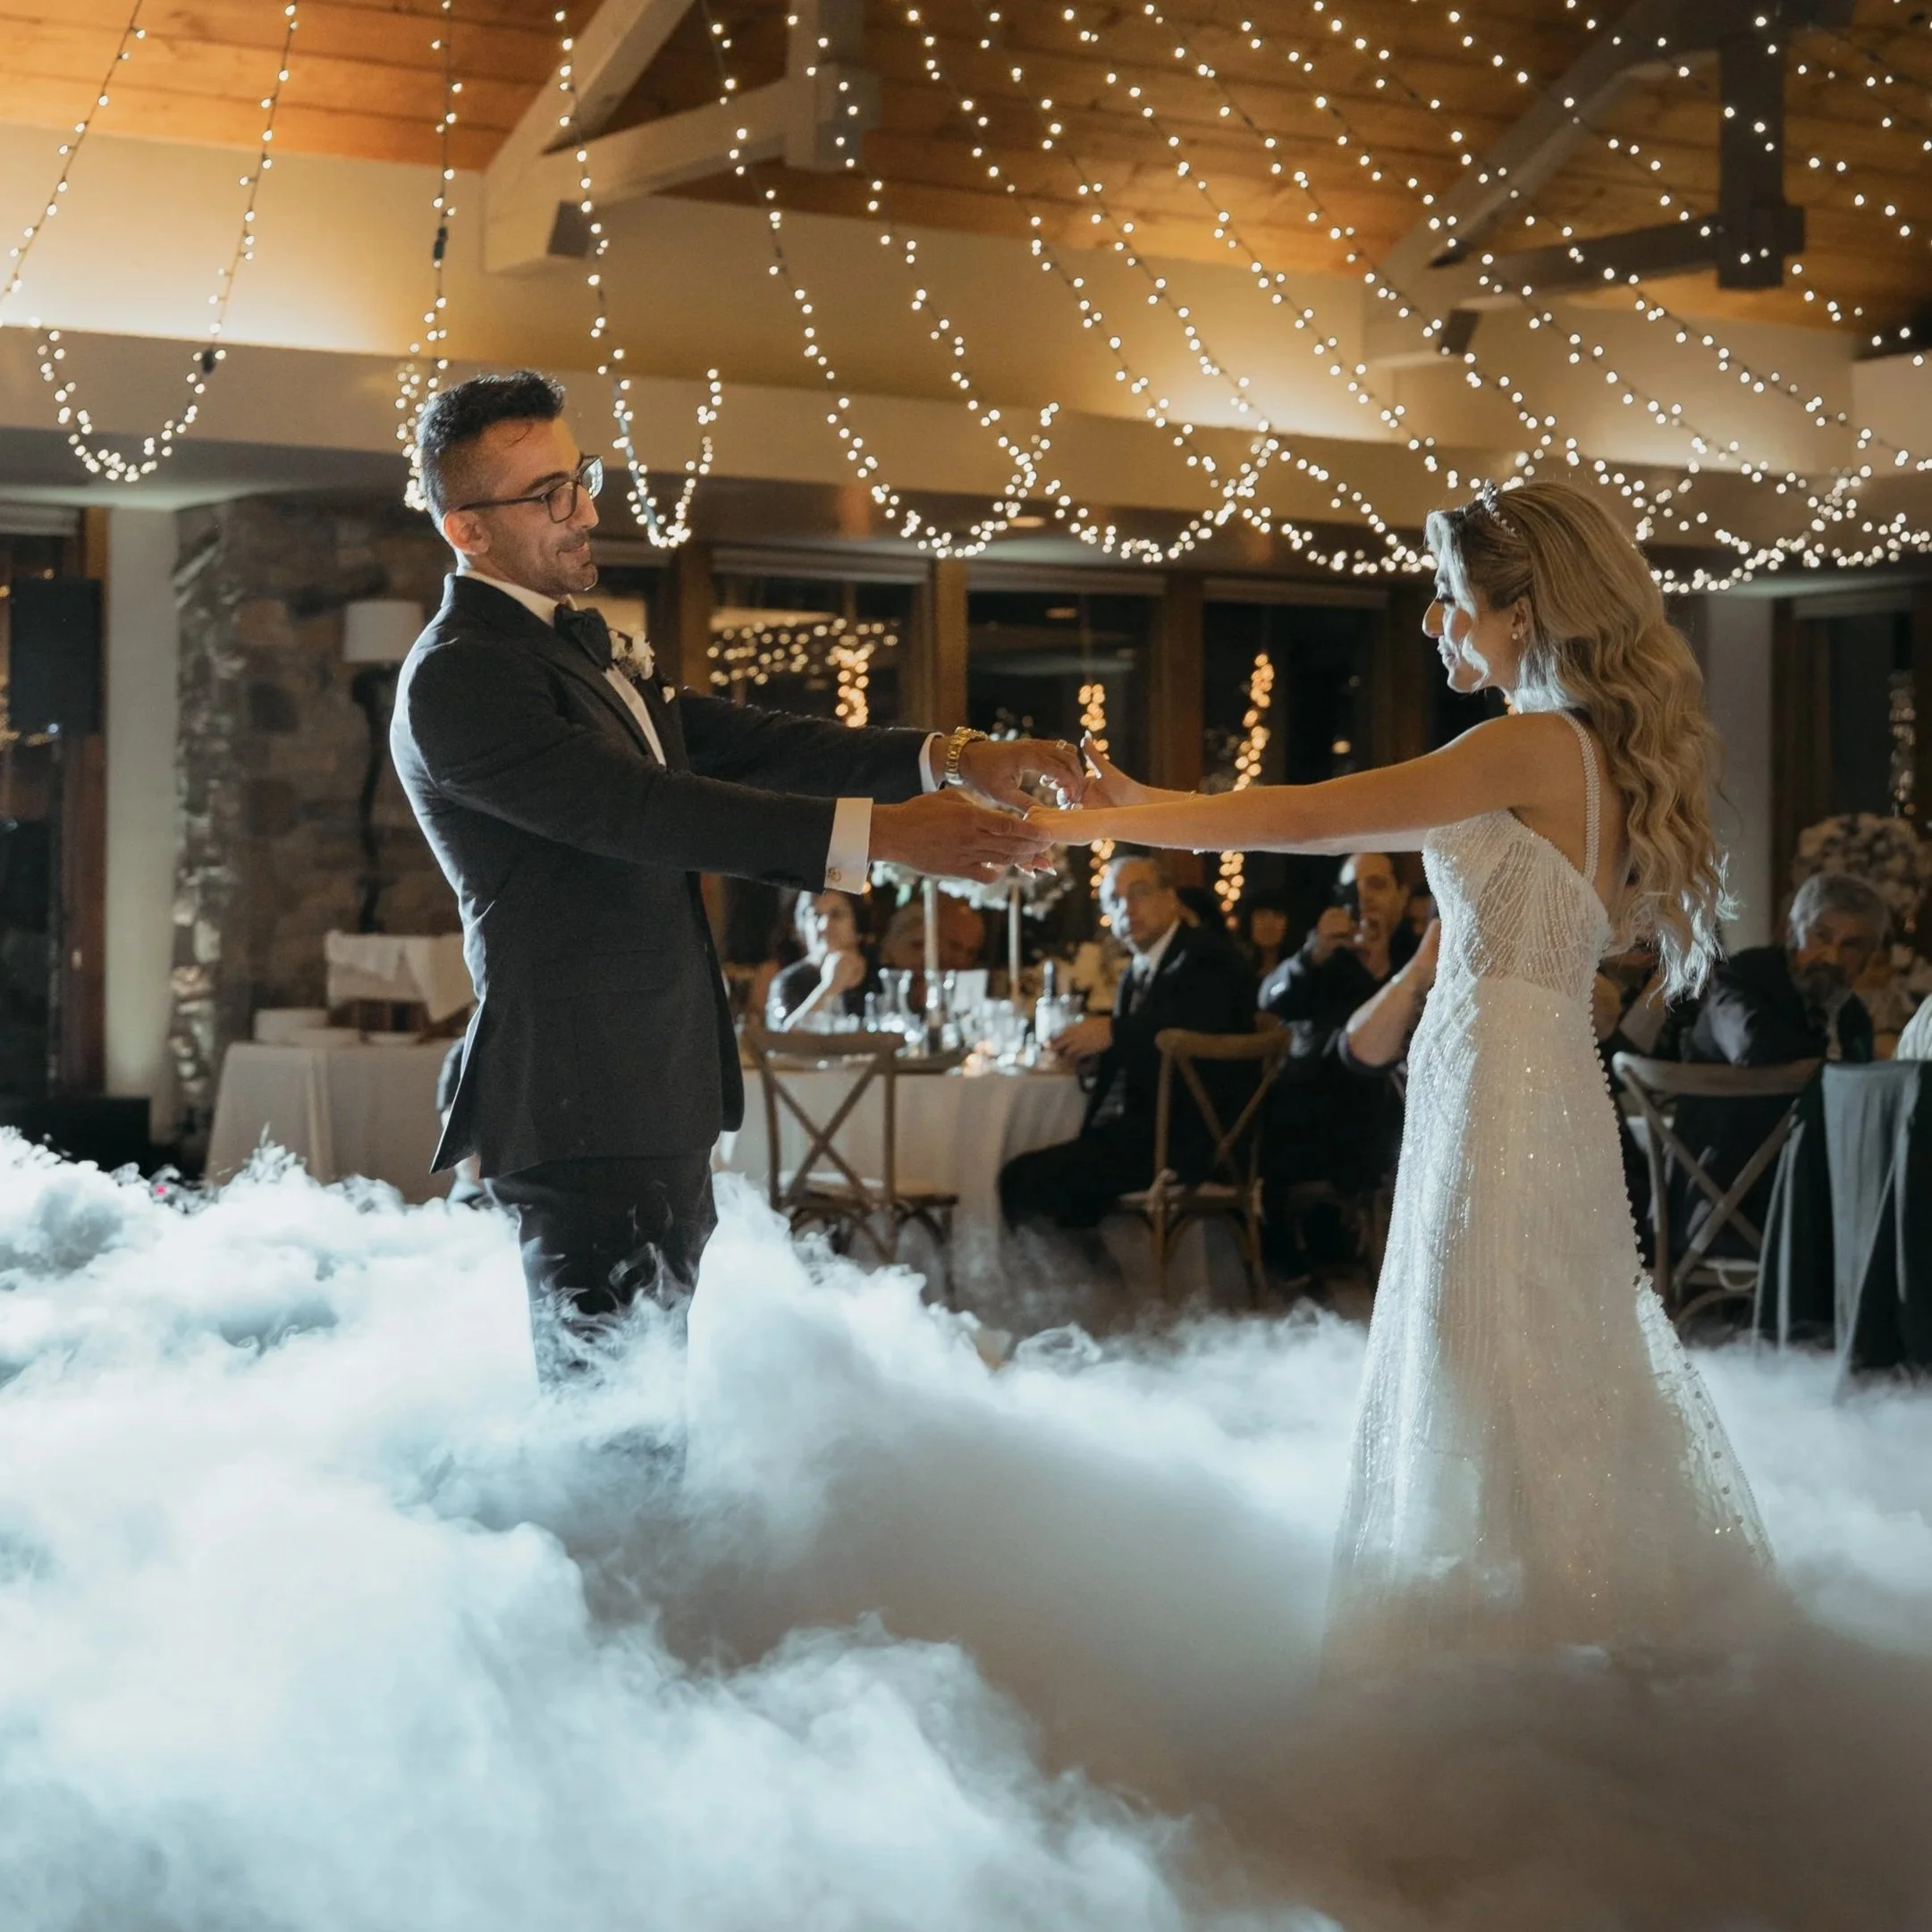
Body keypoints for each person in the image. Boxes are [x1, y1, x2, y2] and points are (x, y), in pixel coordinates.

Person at [1033, 478, 1776, 1666]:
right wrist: (1144, 805)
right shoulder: (1603, 760)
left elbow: (1312, 818)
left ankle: (1501, 1642)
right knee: (1543, 1340)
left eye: (1449, 598)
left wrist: (1117, 818)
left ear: (1522, 611)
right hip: (1534, 1077)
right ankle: (1587, 1617)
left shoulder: (1528, 745)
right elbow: (1327, 828)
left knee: (1482, 1342)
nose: (1435, 622)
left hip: (1496, 1084)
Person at [391, 369, 1077, 1378]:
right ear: (467, 532)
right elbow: (644, 814)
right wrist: (887, 835)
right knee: (606, 1418)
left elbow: (753, 745)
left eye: (578, 477)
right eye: (547, 496)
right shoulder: (459, 673)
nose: (584, 509)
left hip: (649, 1087)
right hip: (579, 1094)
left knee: (648, 1397)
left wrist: (953, 756)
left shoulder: (573, 650)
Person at [998, 853, 1256, 1234]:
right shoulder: (1138, 969)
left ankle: (1085, 1284)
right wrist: (1097, 1059)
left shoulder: (1206, 955)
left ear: (1171, 898)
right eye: (1115, 901)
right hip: (1142, 1134)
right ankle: (1095, 1284)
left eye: (1139, 893)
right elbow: (1145, 1046)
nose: (1127, 908)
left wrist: (1115, 1033)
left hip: (1193, 1142)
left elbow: (1199, 1029)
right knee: (1043, 1176)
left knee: (1022, 1178)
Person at [1667, 870, 1886, 1260]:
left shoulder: (1851, 1014)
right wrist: (1828, 1058)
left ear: (1868, 959)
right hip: (1727, 1204)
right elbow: (1753, 1046)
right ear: (1792, 932)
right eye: (1821, 936)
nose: (1832, 958)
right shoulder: (1744, 978)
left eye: (1851, 946)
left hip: (1815, 1199)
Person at [766, 890, 876, 1029]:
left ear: (858, 926)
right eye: (815, 916)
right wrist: (828, 988)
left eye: (836, 915)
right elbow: (782, 1045)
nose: (824, 926)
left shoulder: (880, 973)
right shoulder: (790, 982)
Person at [1236, 895, 1290, 977]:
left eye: (1277, 916)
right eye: (1262, 915)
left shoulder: (1299, 972)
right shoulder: (1236, 972)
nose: (1269, 923)